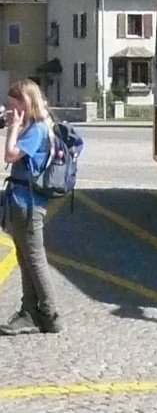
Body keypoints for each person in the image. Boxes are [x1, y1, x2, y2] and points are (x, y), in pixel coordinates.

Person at [0, 79, 63, 335]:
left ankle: (49, 313)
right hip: (20, 200)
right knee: (25, 258)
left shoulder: (37, 129)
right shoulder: (34, 126)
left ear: (26, 101)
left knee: (34, 259)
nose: (11, 107)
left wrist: (13, 128)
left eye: (15, 102)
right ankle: (29, 312)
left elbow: (10, 155)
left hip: (28, 204)